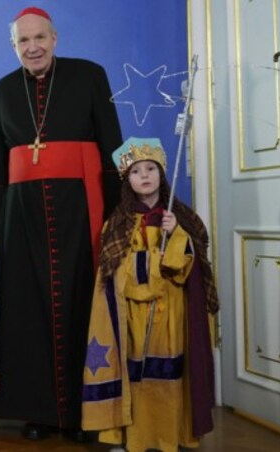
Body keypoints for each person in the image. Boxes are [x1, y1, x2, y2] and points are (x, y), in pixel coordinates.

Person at [0, 6, 124, 440]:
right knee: (26, 309)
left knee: (85, 304)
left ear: (55, 38)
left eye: (39, 38)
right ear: (13, 46)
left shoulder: (89, 76)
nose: (33, 47)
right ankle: (38, 412)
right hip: (21, 214)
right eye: (23, 41)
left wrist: (119, 212)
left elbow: (112, 146)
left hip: (81, 208)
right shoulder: (2, 91)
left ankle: (90, 414)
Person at [81, 137, 218, 452]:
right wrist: (149, 264)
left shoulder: (181, 219)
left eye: (151, 169)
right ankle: (130, 436)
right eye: (136, 171)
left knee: (169, 374)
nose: (144, 176)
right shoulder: (116, 225)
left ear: (161, 173)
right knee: (135, 375)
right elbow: (115, 272)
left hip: (171, 312)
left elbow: (187, 267)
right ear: (127, 180)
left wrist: (176, 235)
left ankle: (172, 434)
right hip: (132, 314)